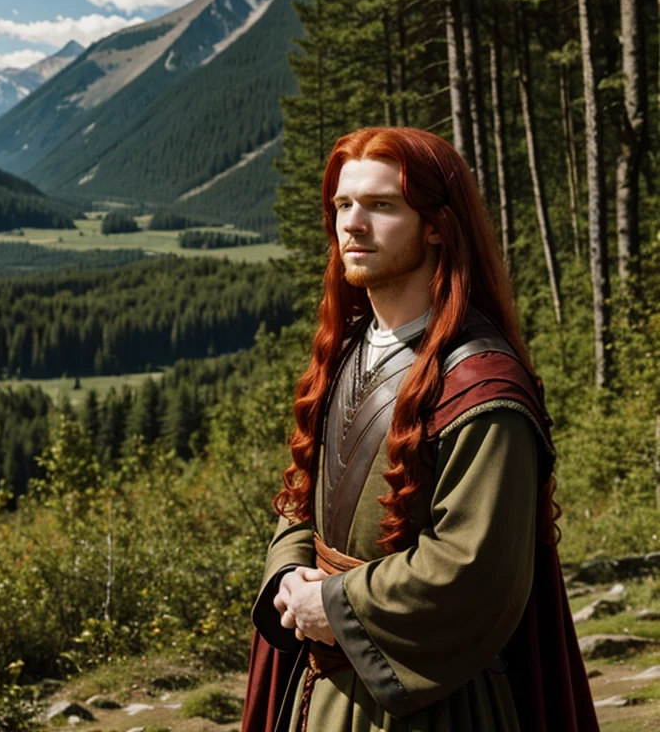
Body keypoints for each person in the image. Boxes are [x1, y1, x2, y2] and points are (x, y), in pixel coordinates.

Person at [242, 127, 599, 732]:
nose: (353, 224)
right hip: (320, 690)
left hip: (434, 704)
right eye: (342, 205)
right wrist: (288, 575)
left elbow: (473, 569)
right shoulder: (348, 354)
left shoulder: (482, 389)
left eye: (382, 205)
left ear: (436, 225)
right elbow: (302, 497)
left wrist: (330, 603)